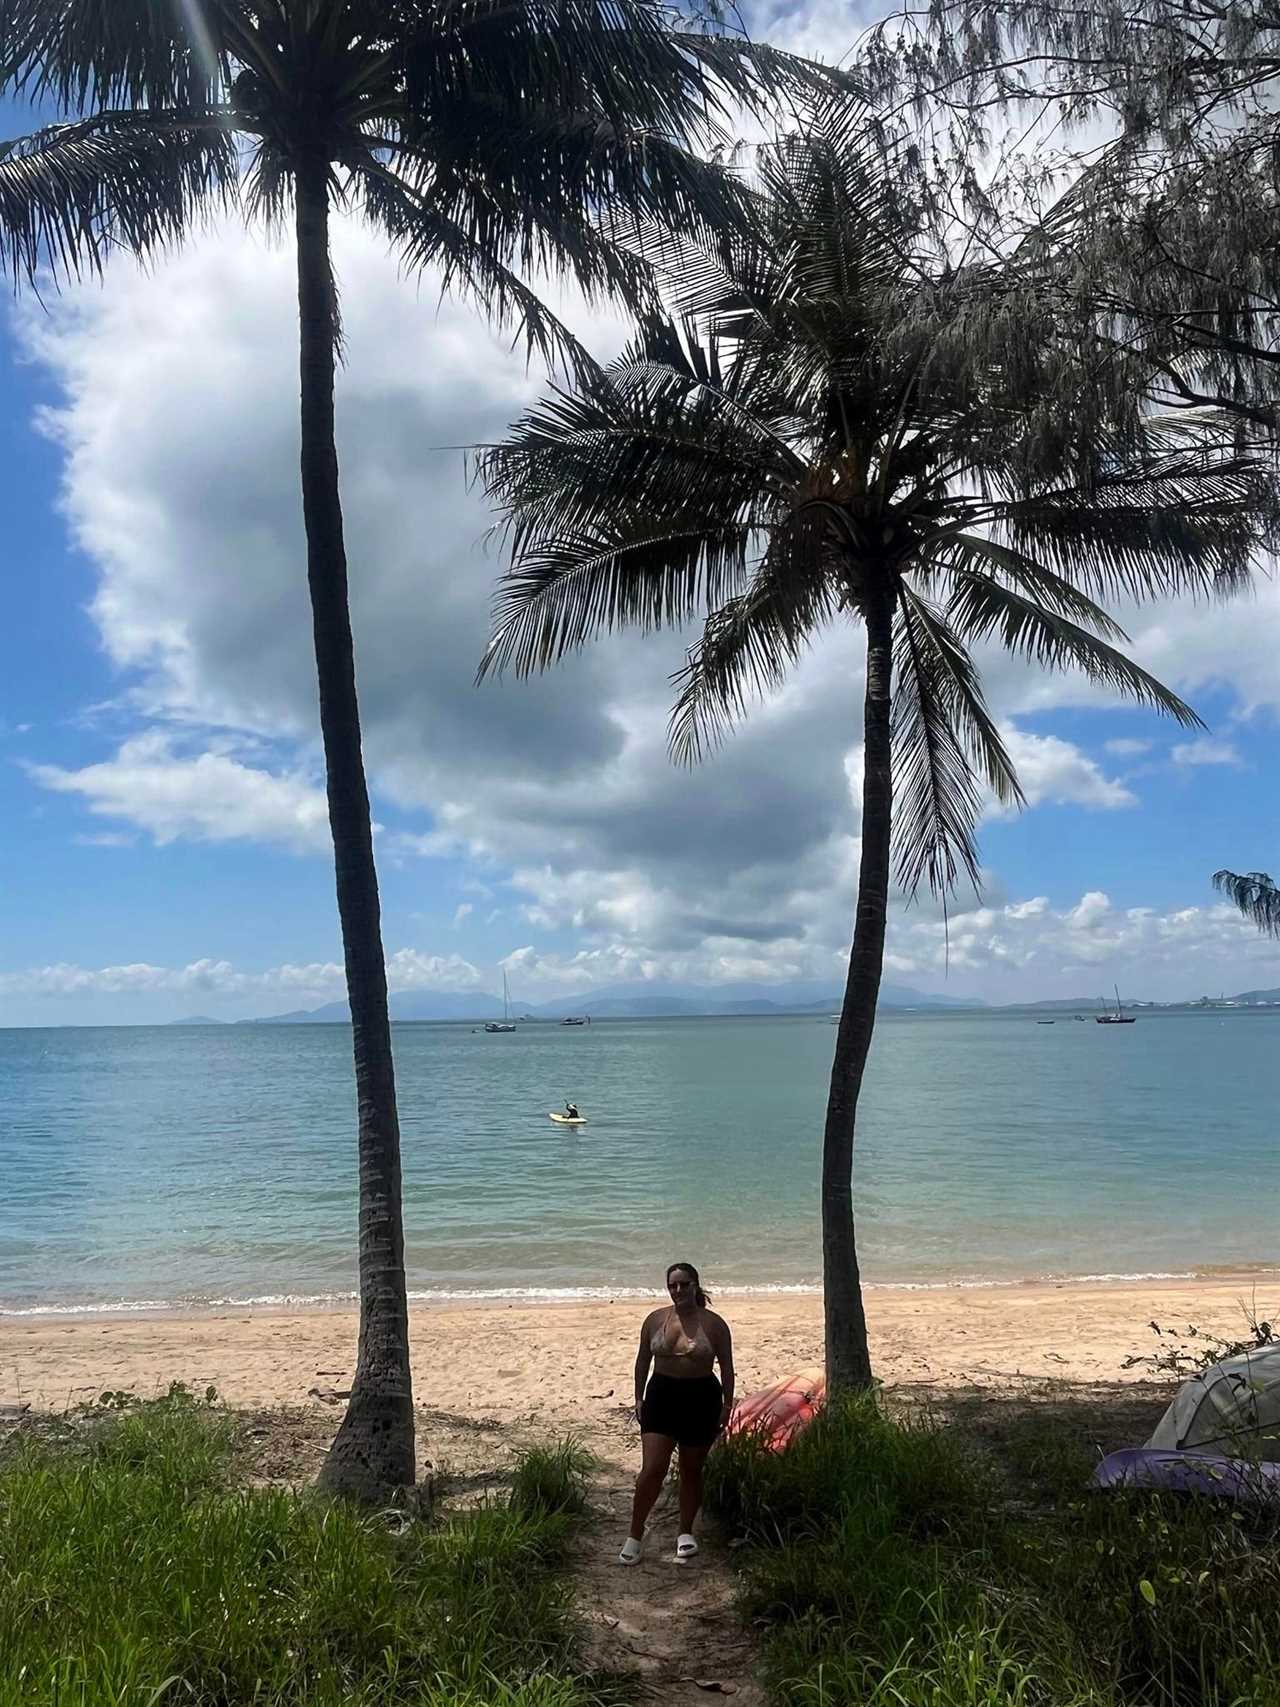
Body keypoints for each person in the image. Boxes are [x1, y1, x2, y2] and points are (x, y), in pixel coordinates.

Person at [619, 1261, 734, 1565]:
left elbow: (727, 1367)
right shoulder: (655, 1320)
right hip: (661, 1396)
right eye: (673, 1285)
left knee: (691, 1468)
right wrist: (639, 1397)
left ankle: (685, 1532)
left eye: (684, 1284)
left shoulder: (715, 1324)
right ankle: (634, 1535)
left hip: (701, 1397)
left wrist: (727, 1405)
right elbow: (643, 1360)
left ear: (695, 1285)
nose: (678, 1290)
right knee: (652, 1468)